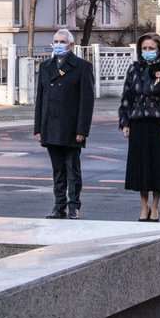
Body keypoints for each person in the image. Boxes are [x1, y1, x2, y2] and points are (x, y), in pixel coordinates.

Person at [119, 32, 160, 222]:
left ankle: (155, 206)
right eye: (144, 49)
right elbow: (127, 98)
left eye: (151, 48)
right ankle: (143, 206)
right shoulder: (134, 69)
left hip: (159, 125)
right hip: (138, 124)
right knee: (141, 168)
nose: (147, 52)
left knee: (158, 167)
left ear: (159, 49)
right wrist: (125, 122)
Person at [34, 28, 95, 220]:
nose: (59, 45)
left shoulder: (82, 67)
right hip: (50, 126)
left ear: (71, 45)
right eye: (56, 41)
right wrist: (38, 128)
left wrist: (82, 129)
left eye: (62, 42)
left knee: (72, 170)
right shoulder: (46, 66)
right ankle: (58, 206)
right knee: (57, 170)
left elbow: (87, 101)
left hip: (71, 127)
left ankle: (73, 206)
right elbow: (40, 99)